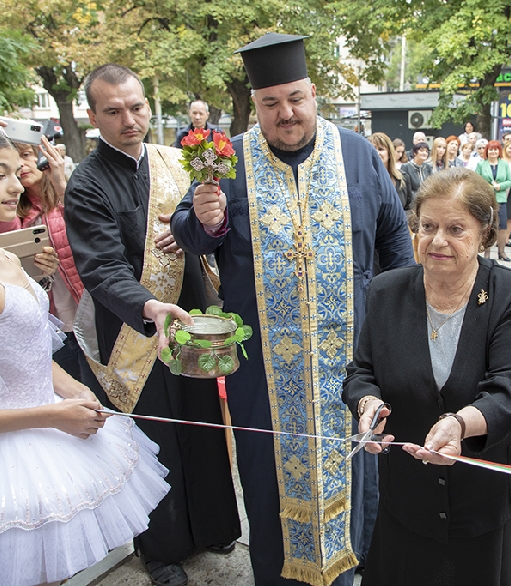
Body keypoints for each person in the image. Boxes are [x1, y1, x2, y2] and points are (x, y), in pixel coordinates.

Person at [170, 33, 415, 586]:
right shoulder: (225, 160)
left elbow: (396, 243)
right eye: (270, 103)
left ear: (313, 94)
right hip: (265, 375)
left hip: (352, 365)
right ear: (255, 105)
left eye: (296, 98)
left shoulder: (355, 152)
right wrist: (204, 220)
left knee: (358, 475)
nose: (286, 113)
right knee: (266, 479)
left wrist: (398, 335)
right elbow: (187, 231)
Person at [0, 120, 169, 586]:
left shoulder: (2, 258)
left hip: (44, 428)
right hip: (3, 458)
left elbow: (25, 354)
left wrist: (77, 390)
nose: (16, 183)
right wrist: (52, 416)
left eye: (15, 172)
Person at [64, 64, 242, 586]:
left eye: (136, 107)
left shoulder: (174, 161)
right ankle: (160, 549)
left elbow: (208, 232)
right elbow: (99, 267)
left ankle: (214, 524)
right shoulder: (86, 182)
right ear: (93, 115)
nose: (129, 120)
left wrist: (193, 231)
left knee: (204, 424)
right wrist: (147, 306)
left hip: (188, 319)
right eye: (113, 111)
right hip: (132, 331)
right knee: (153, 440)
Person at [342, 168, 511, 586]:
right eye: (427, 226)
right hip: (408, 491)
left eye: (456, 229)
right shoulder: (386, 291)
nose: (436, 241)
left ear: (485, 232)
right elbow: (362, 371)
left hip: (485, 491)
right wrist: (367, 405)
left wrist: (459, 423)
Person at [0, 139, 87, 381]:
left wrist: (61, 182)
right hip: (51, 323)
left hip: (89, 312)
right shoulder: (14, 211)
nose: (21, 166)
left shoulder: (68, 193)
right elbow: (4, 247)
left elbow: (90, 229)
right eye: (11, 163)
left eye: (26, 155)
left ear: (43, 156)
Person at [474, 140, 511, 261]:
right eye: (491, 149)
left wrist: (500, 186)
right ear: (487, 151)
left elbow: (509, 181)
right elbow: (476, 180)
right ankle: (486, 253)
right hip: (487, 199)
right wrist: (489, 187)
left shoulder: (504, 164)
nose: (493, 152)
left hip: (501, 199)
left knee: (502, 226)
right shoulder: (481, 165)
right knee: (488, 226)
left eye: (495, 149)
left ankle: (502, 252)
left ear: (499, 151)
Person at [371, 132, 411, 214]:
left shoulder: (403, 177)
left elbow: (410, 208)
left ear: (389, 153)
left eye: (381, 149)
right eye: (373, 149)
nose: (377, 152)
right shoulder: (363, 180)